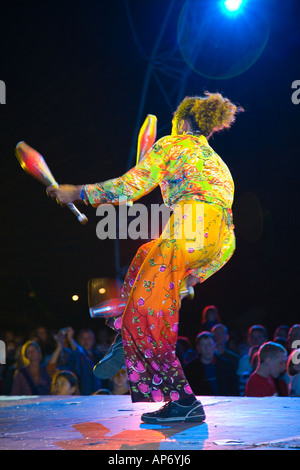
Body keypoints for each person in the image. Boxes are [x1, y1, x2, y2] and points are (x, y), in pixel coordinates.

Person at [47, 92, 243, 423]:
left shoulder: (173, 143)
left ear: (181, 124)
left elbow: (128, 189)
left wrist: (78, 192)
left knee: (150, 318)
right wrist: (194, 276)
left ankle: (182, 401)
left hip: (187, 231)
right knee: (142, 256)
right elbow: (227, 237)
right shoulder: (219, 166)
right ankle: (126, 331)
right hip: (212, 238)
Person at [184, 331, 239, 396]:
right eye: (203, 345)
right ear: (198, 348)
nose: (207, 348)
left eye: (209, 344)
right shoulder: (190, 370)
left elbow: (234, 390)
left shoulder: (227, 366)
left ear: (215, 345)